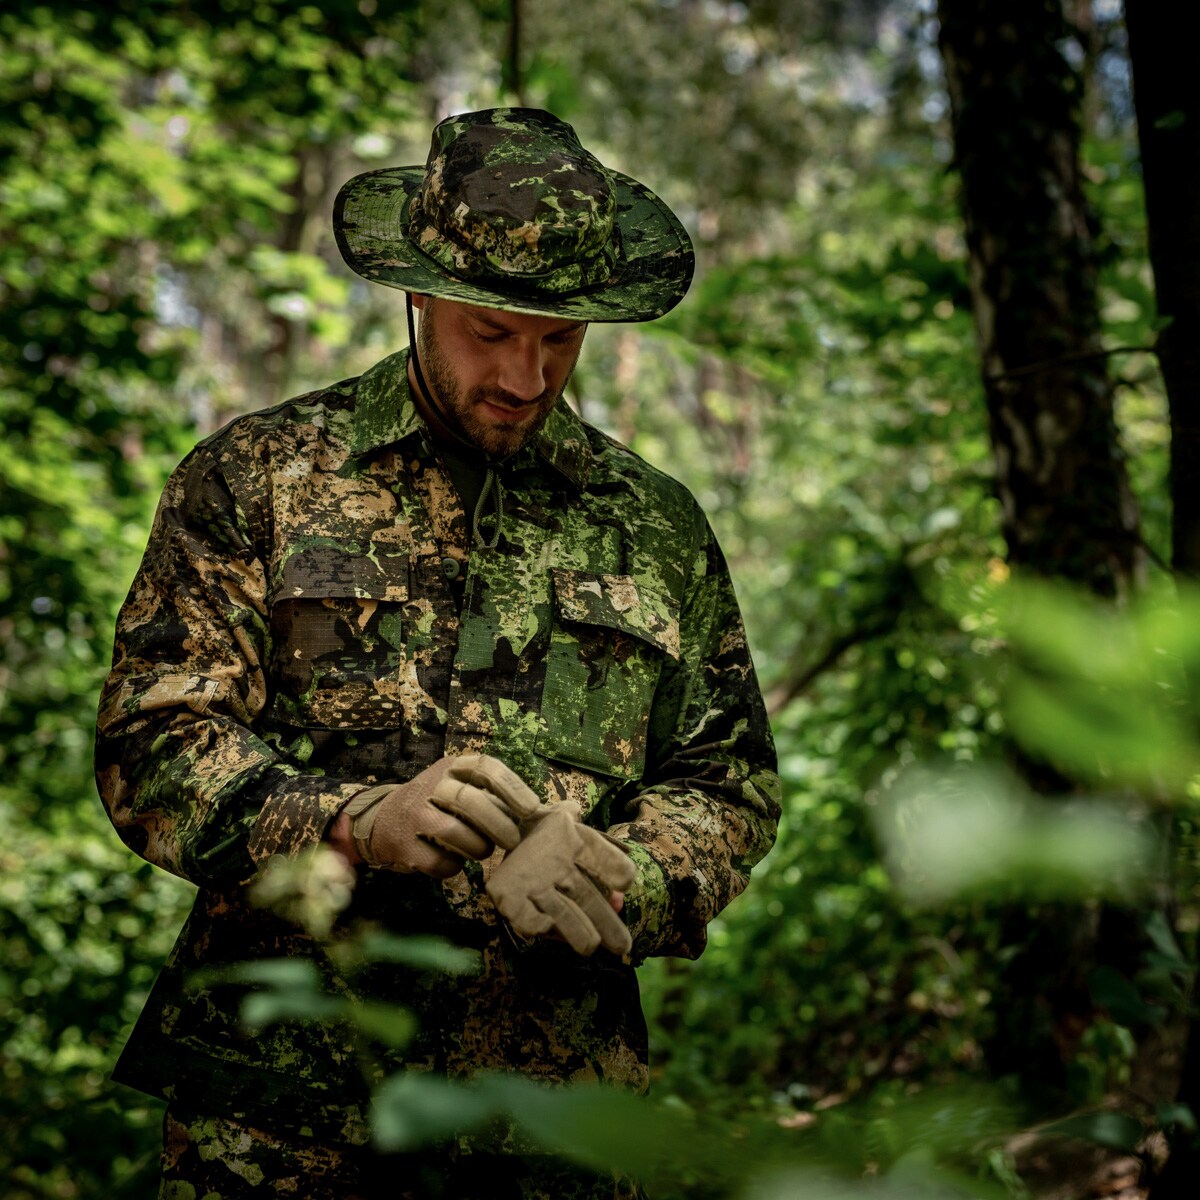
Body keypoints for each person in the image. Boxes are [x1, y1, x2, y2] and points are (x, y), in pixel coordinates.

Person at [96, 107, 780, 1199]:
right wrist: (352, 823)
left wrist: (635, 872)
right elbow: (153, 742)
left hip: (553, 1123)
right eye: (491, 332)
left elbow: (728, 782)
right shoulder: (260, 476)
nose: (528, 376)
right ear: (418, 294)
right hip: (281, 1118)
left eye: (561, 340)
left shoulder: (654, 524)